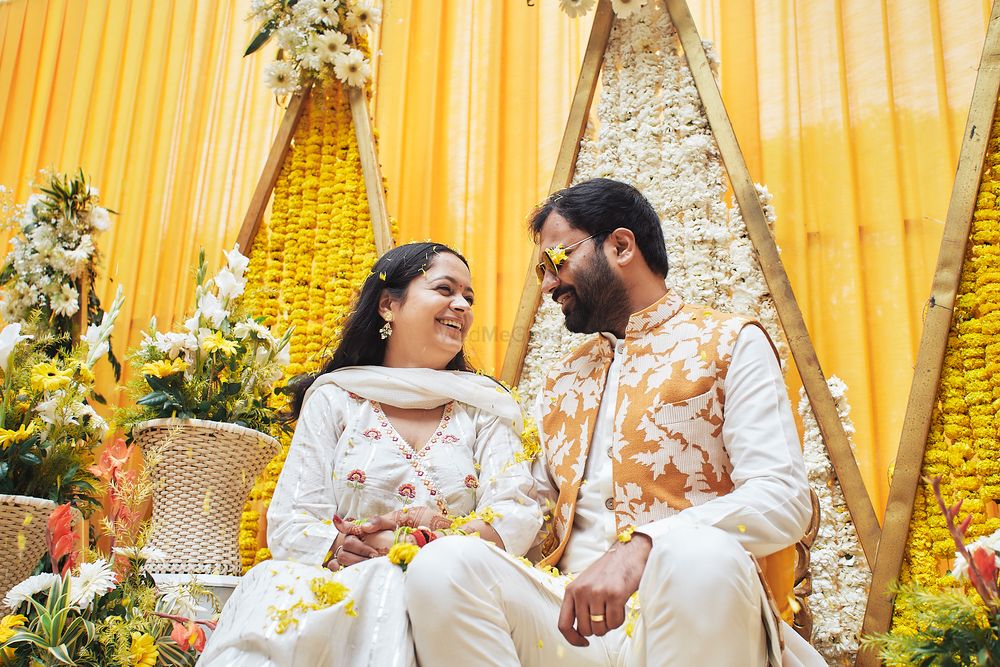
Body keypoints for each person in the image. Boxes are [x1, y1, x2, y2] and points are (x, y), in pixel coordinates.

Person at [405, 179, 826, 666]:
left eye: (556, 262)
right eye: (541, 270)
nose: (547, 285)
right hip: (571, 624)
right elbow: (536, 509)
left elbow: (783, 497)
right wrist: (436, 532)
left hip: (691, 608)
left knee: (700, 557)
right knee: (443, 566)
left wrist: (646, 546)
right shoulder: (563, 378)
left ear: (621, 245)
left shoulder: (730, 342)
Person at [198, 242, 542, 666]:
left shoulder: (486, 406)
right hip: (341, 588)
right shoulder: (336, 399)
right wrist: (336, 545)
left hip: (453, 592)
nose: (462, 305)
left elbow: (516, 509)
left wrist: (422, 545)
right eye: (445, 289)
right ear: (387, 306)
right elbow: (291, 517)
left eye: (469, 298)